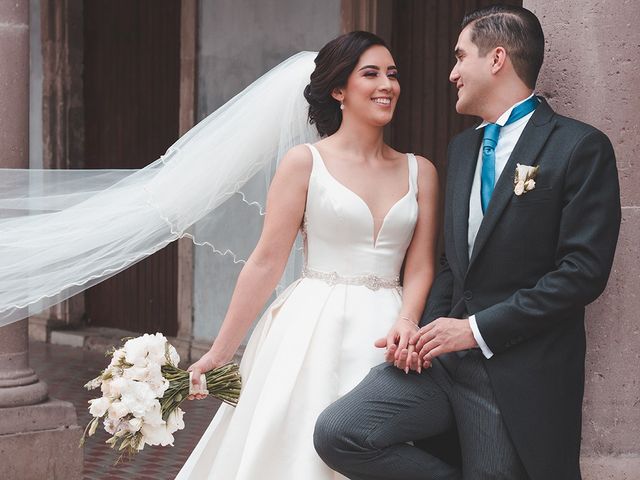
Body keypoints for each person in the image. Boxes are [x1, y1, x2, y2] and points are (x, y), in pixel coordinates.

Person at [314, 5, 621, 480]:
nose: (453, 73)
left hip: (514, 372)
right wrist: (427, 331)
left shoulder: (579, 147)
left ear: (496, 59)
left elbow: (582, 274)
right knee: (340, 432)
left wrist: (476, 329)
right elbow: (452, 263)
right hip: (441, 364)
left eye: (460, 57)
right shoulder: (462, 150)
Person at [176, 31, 439, 479]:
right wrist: (219, 354)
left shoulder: (421, 170)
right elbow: (266, 261)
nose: (387, 85)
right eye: (371, 74)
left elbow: (421, 265)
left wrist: (408, 321)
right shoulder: (304, 163)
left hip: (389, 332)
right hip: (311, 326)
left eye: (392, 75)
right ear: (339, 89)